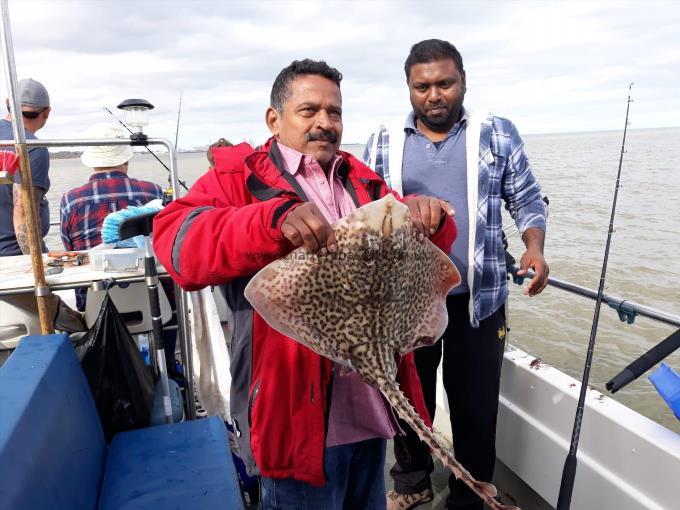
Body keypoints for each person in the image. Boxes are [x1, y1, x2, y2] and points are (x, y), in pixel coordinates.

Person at [153, 59, 457, 510]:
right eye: (308, 110)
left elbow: (421, 254)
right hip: (295, 420)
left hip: (373, 409)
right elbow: (177, 244)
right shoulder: (239, 179)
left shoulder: (361, 179)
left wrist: (428, 216)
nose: (324, 123)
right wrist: (269, 221)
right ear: (274, 119)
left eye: (334, 113)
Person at [364, 39, 549, 510]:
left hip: (479, 297)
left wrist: (534, 248)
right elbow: (369, 213)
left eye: (444, 83)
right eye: (422, 86)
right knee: (408, 396)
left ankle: (470, 492)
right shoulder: (383, 139)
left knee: (475, 403)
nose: (434, 95)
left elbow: (526, 199)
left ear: (462, 82)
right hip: (407, 300)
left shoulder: (497, 132)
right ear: (408, 88)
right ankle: (412, 483)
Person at [60, 122, 163, 311]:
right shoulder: (153, 192)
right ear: (127, 158)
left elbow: (71, 251)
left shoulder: (70, 200)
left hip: (95, 307)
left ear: (91, 161)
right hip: (154, 303)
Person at [0, 78, 51, 256]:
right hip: (12, 257)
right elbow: (23, 210)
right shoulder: (30, 147)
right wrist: (37, 264)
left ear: (8, 103)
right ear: (46, 113)